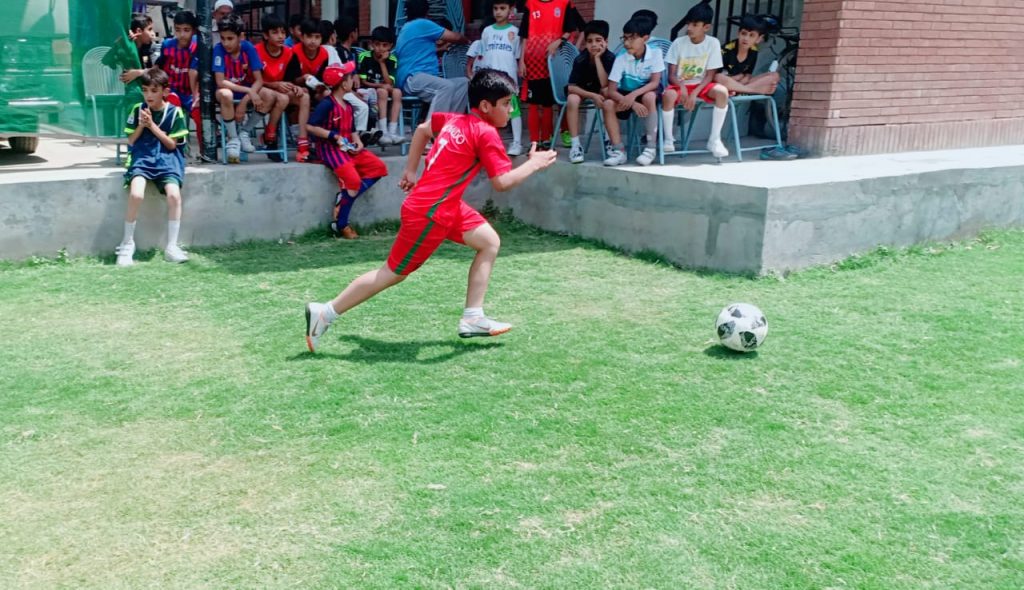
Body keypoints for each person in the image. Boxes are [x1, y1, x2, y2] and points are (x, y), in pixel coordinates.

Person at [303, 69, 558, 352]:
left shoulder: (452, 119)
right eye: (507, 103)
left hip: (441, 205)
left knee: (489, 242)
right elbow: (501, 183)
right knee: (392, 273)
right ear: (486, 106)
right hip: (430, 212)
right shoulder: (486, 134)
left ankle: (473, 318)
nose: (510, 110)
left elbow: (423, 130)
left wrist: (411, 170)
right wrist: (535, 163)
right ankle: (326, 312)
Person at [115, 68, 190, 267]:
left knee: (174, 195)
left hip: (168, 159)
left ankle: (172, 247)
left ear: (165, 91)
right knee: (137, 194)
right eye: (146, 90)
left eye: (154, 90)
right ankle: (127, 243)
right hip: (142, 157)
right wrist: (142, 124)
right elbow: (131, 141)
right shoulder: (137, 110)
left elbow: (172, 144)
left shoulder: (175, 113)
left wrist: (152, 126)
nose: (149, 95)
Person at [306, 63, 389, 240]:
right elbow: (310, 126)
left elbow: (352, 130)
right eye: (351, 78)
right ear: (344, 84)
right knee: (352, 180)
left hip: (348, 147)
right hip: (330, 149)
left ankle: (343, 197)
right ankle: (341, 224)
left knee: (379, 168)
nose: (354, 80)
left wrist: (358, 141)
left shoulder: (349, 105)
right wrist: (332, 136)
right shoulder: (327, 104)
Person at [661, 0, 731, 159]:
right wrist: (683, 88)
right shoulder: (678, 43)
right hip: (680, 85)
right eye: (688, 24)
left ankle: (714, 139)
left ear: (706, 27)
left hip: (701, 85)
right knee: (668, 95)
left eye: (695, 25)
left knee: (722, 92)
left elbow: (710, 75)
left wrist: (694, 93)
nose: (689, 28)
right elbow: (671, 74)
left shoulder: (713, 43)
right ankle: (668, 138)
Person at [293, 19, 377, 146]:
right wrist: (304, 78)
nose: (313, 41)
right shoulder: (294, 52)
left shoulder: (324, 53)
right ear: (302, 36)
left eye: (317, 37)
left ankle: (355, 137)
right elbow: (291, 78)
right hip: (298, 89)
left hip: (320, 89)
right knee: (333, 100)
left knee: (335, 98)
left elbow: (326, 78)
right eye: (309, 36)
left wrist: (322, 87)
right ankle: (331, 136)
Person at [214, 14, 281, 162]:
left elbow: (259, 79)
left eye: (230, 38)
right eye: (223, 38)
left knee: (270, 96)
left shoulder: (248, 48)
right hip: (227, 92)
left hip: (245, 91)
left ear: (241, 37)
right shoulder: (218, 50)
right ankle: (233, 138)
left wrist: (245, 101)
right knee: (226, 94)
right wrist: (249, 92)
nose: (226, 43)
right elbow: (220, 82)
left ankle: (245, 132)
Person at [518, 0, 584, 149]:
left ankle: (547, 139)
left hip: (553, 63)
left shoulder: (563, 3)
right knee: (533, 104)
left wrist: (558, 42)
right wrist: (522, 60)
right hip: (532, 63)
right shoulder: (530, 3)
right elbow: (524, 35)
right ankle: (534, 141)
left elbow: (571, 29)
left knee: (548, 103)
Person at [602, 17, 663, 167]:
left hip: (645, 91)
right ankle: (618, 151)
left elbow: (655, 82)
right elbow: (611, 90)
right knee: (608, 104)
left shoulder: (655, 54)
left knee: (649, 97)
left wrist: (633, 97)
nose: (627, 42)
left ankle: (650, 148)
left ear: (645, 38)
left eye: (632, 38)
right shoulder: (621, 57)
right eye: (625, 38)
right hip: (625, 94)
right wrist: (633, 103)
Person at [395, 0, 470, 118]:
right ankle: (431, 131)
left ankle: (450, 126)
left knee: (463, 83)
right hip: (413, 78)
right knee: (446, 87)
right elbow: (455, 37)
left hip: (417, 79)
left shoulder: (406, 28)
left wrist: (440, 49)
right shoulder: (423, 24)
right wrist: (468, 41)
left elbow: (417, 52)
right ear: (427, 12)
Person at [255, 14, 312, 162]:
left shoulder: (289, 52)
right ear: (265, 35)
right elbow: (253, 80)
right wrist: (273, 85)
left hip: (281, 89)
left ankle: (302, 142)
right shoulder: (256, 51)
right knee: (283, 98)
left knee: (304, 96)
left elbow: (292, 78)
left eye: (282, 32)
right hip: (261, 89)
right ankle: (271, 136)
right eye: (275, 32)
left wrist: (296, 87)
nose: (280, 36)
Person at [472, 0, 524, 156]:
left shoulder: (515, 32)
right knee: (489, 111)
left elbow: (517, 57)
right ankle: (488, 143)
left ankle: (516, 143)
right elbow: (483, 54)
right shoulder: (487, 31)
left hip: (508, 78)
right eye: (495, 8)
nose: (498, 12)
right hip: (490, 78)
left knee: (513, 110)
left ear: (510, 10)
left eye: (502, 8)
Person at [565, 19, 615, 164]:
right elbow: (571, 87)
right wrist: (592, 95)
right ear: (585, 43)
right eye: (589, 41)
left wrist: (598, 59)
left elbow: (606, 84)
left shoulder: (610, 58)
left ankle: (609, 139)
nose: (593, 45)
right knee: (572, 99)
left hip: (602, 90)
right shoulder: (580, 59)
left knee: (607, 93)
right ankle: (575, 145)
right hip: (582, 90)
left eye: (598, 40)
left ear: (606, 41)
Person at [155, 10, 202, 150]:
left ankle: (203, 150)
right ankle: (178, 148)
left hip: (189, 93)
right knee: (172, 109)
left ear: (193, 31)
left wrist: (196, 96)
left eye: (186, 30)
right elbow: (159, 67)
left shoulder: (197, 46)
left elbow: (195, 72)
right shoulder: (167, 45)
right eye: (178, 30)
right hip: (171, 90)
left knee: (199, 114)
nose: (182, 34)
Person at [357, 26, 406, 146]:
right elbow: (363, 81)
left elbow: (389, 83)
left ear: (390, 46)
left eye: (385, 45)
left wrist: (382, 63)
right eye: (377, 44)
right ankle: (383, 131)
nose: (380, 48)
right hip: (371, 90)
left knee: (397, 92)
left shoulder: (392, 59)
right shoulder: (364, 57)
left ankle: (392, 132)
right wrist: (380, 85)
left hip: (385, 87)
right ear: (372, 44)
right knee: (382, 92)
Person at [715, 14, 780, 96]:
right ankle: (752, 90)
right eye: (744, 33)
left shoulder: (753, 51)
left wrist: (742, 79)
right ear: (738, 33)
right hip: (724, 84)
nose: (746, 38)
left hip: (740, 84)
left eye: (752, 35)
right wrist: (738, 78)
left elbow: (748, 75)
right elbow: (715, 77)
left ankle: (740, 90)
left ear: (759, 39)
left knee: (774, 76)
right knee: (719, 77)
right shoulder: (726, 50)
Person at [117, 12, 157, 87]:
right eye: (150, 29)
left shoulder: (151, 46)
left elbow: (156, 70)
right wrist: (122, 39)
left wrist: (138, 73)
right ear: (138, 31)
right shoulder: (125, 47)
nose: (153, 34)